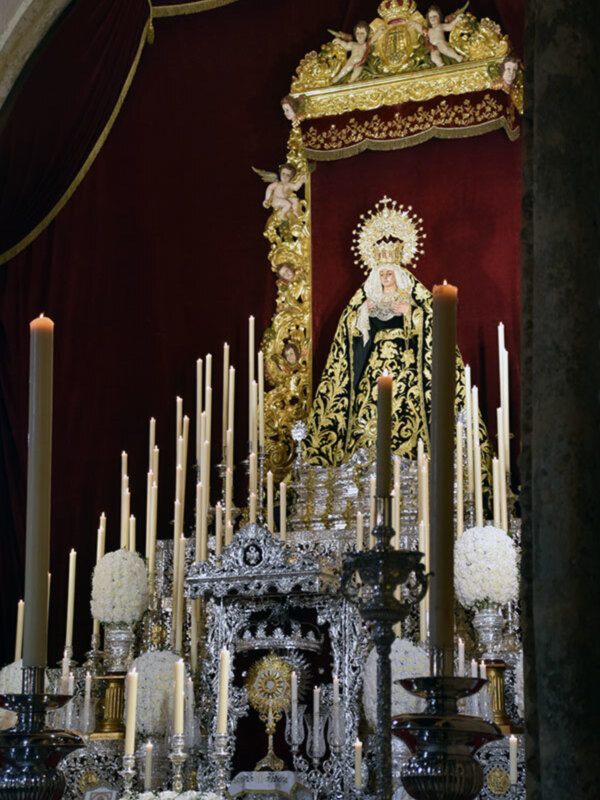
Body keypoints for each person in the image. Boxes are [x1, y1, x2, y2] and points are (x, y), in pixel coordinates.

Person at [303, 259, 438, 465]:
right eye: (382, 273)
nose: (385, 277)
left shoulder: (409, 298)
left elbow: (433, 320)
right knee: (369, 402)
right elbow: (352, 331)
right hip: (375, 363)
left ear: (397, 275)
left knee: (404, 402)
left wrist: (410, 312)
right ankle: (367, 458)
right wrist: (362, 314)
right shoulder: (369, 299)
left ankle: (408, 456)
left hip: (404, 363)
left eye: (389, 273)